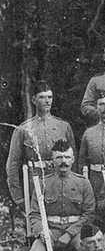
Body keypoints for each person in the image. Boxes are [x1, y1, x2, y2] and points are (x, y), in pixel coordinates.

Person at [22, 139, 95, 251]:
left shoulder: (83, 183)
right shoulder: (42, 183)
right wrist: (42, 232)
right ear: (52, 160)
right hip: (50, 229)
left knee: (85, 250)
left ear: (72, 159)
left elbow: (89, 215)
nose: (63, 161)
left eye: (67, 157)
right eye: (59, 157)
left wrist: (70, 233)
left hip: (75, 230)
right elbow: (34, 214)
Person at [6, 81, 76, 211]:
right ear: (33, 100)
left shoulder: (63, 126)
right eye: (42, 97)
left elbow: (73, 160)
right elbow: (13, 165)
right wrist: (18, 196)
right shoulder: (23, 129)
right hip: (35, 184)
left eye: (49, 97)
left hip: (60, 182)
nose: (47, 101)